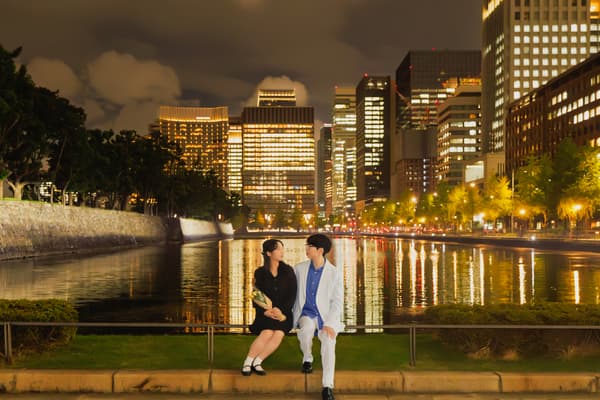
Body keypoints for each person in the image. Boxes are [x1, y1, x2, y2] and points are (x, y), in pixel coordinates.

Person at [292, 234, 344, 400]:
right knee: (306, 330)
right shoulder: (299, 269)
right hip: (306, 313)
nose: (306, 249)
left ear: (320, 250)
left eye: (310, 246)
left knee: (328, 342)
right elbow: (288, 289)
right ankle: (307, 358)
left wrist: (329, 323)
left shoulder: (334, 273)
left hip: (326, 316)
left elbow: (337, 302)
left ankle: (327, 386)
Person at [241, 239, 297, 376]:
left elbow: (292, 294)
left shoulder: (288, 271)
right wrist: (265, 311)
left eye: (282, 248)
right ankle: (248, 362)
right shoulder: (260, 273)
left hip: (284, 314)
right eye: (278, 249)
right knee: (267, 332)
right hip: (265, 313)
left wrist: (281, 311)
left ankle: (258, 361)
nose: (282, 252)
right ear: (268, 253)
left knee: (278, 333)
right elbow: (256, 294)